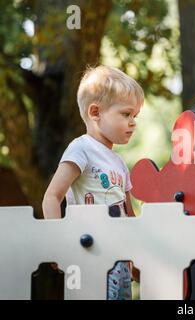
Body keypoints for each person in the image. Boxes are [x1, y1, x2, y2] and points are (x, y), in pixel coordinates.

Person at [42, 65, 143, 300]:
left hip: (119, 257)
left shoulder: (119, 163)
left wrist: (138, 256)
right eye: (126, 114)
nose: (133, 122)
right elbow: (52, 196)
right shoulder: (82, 149)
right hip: (89, 252)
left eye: (135, 116)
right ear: (95, 112)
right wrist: (58, 243)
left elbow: (128, 214)